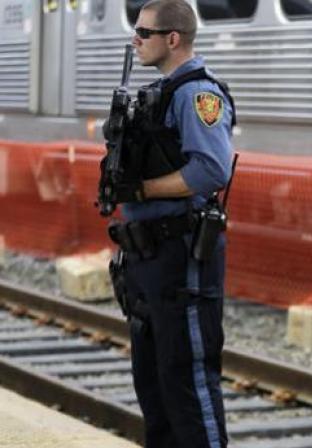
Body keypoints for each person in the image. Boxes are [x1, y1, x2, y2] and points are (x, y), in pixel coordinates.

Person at [105, 1, 235, 446]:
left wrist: (143, 189)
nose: (135, 39)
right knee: (154, 384)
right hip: (149, 258)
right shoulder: (160, 94)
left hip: (182, 257)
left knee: (187, 383)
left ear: (173, 39)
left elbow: (211, 170)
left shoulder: (197, 95)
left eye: (144, 32)